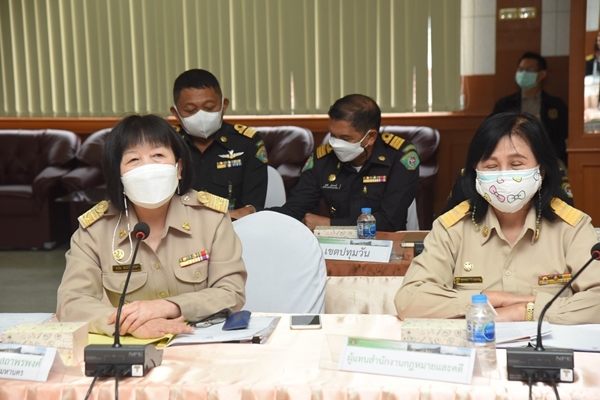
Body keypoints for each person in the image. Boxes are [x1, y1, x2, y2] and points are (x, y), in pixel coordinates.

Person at [395, 112, 600, 324]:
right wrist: (488, 300)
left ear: (541, 170)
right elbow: (409, 301)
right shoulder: (452, 228)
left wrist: (526, 311)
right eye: (491, 166)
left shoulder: (571, 227)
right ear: (475, 172)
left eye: (516, 164)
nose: (503, 176)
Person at [57, 114, 247, 339]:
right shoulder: (96, 230)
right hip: (130, 344)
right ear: (118, 175)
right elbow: (72, 302)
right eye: (133, 160)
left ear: (178, 168)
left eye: (158, 155)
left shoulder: (210, 218)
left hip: (199, 339)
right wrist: (126, 324)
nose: (147, 168)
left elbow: (231, 292)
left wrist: (169, 306)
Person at [268, 94, 419, 231]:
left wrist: (330, 225)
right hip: (338, 246)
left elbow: (389, 221)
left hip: (386, 244)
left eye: (345, 138)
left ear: (371, 137)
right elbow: (295, 209)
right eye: (333, 136)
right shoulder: (323, 159)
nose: (336, 144)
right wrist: (258, 214)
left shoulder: (400, 157)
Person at [170, 69, 268, 220]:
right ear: (176, 113)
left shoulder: (247, 143)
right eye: (190, 110)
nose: (201, 116)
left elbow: (252, 207)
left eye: (209, 108)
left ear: (223, 105)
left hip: (234, 226)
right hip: (179, 227)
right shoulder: (166, 144)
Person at [492, 52, 568, 166]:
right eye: (521, 69)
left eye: (529, 70)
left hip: (547, 161)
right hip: (511, 159)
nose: (523, 73)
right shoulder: (504, 105)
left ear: (542, 74)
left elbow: (562, 139)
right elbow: (492, 133)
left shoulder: (556, 105)